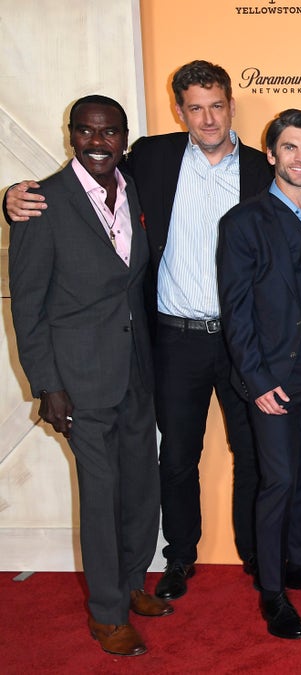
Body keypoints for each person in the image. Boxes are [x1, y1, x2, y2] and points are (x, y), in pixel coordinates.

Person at [4, 60, 273, 600]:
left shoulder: (262, 170)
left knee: (252, 454)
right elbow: (81, 185)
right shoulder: (152, 156)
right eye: (194, 107)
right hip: (173, 339)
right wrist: (11, 199)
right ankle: (178, 559)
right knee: (175, 458)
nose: (207, 117)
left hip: (242, 341)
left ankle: (256, 558)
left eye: (216, 105)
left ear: (231, 106)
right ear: (180, 111)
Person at [9, 95, 171, 656]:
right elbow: (27, 308)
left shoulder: (135, 189)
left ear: (124, 137)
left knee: (140, 488)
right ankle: (106, 614)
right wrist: (47, 385)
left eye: (109, 133)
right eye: (86, 132)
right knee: (101, 496)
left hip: (136, 372)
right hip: (78, 380)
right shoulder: (41, 203)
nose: (97, 143)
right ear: (71, 135)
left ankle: (130, 584)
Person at [218, 109, 301, 639]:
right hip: (271, 378)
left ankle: (296, 563)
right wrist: (257, 380)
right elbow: (237, 309)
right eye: (289, 148)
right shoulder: (243, 221)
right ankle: (272, 593)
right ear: (270, 155)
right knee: (277, 481)